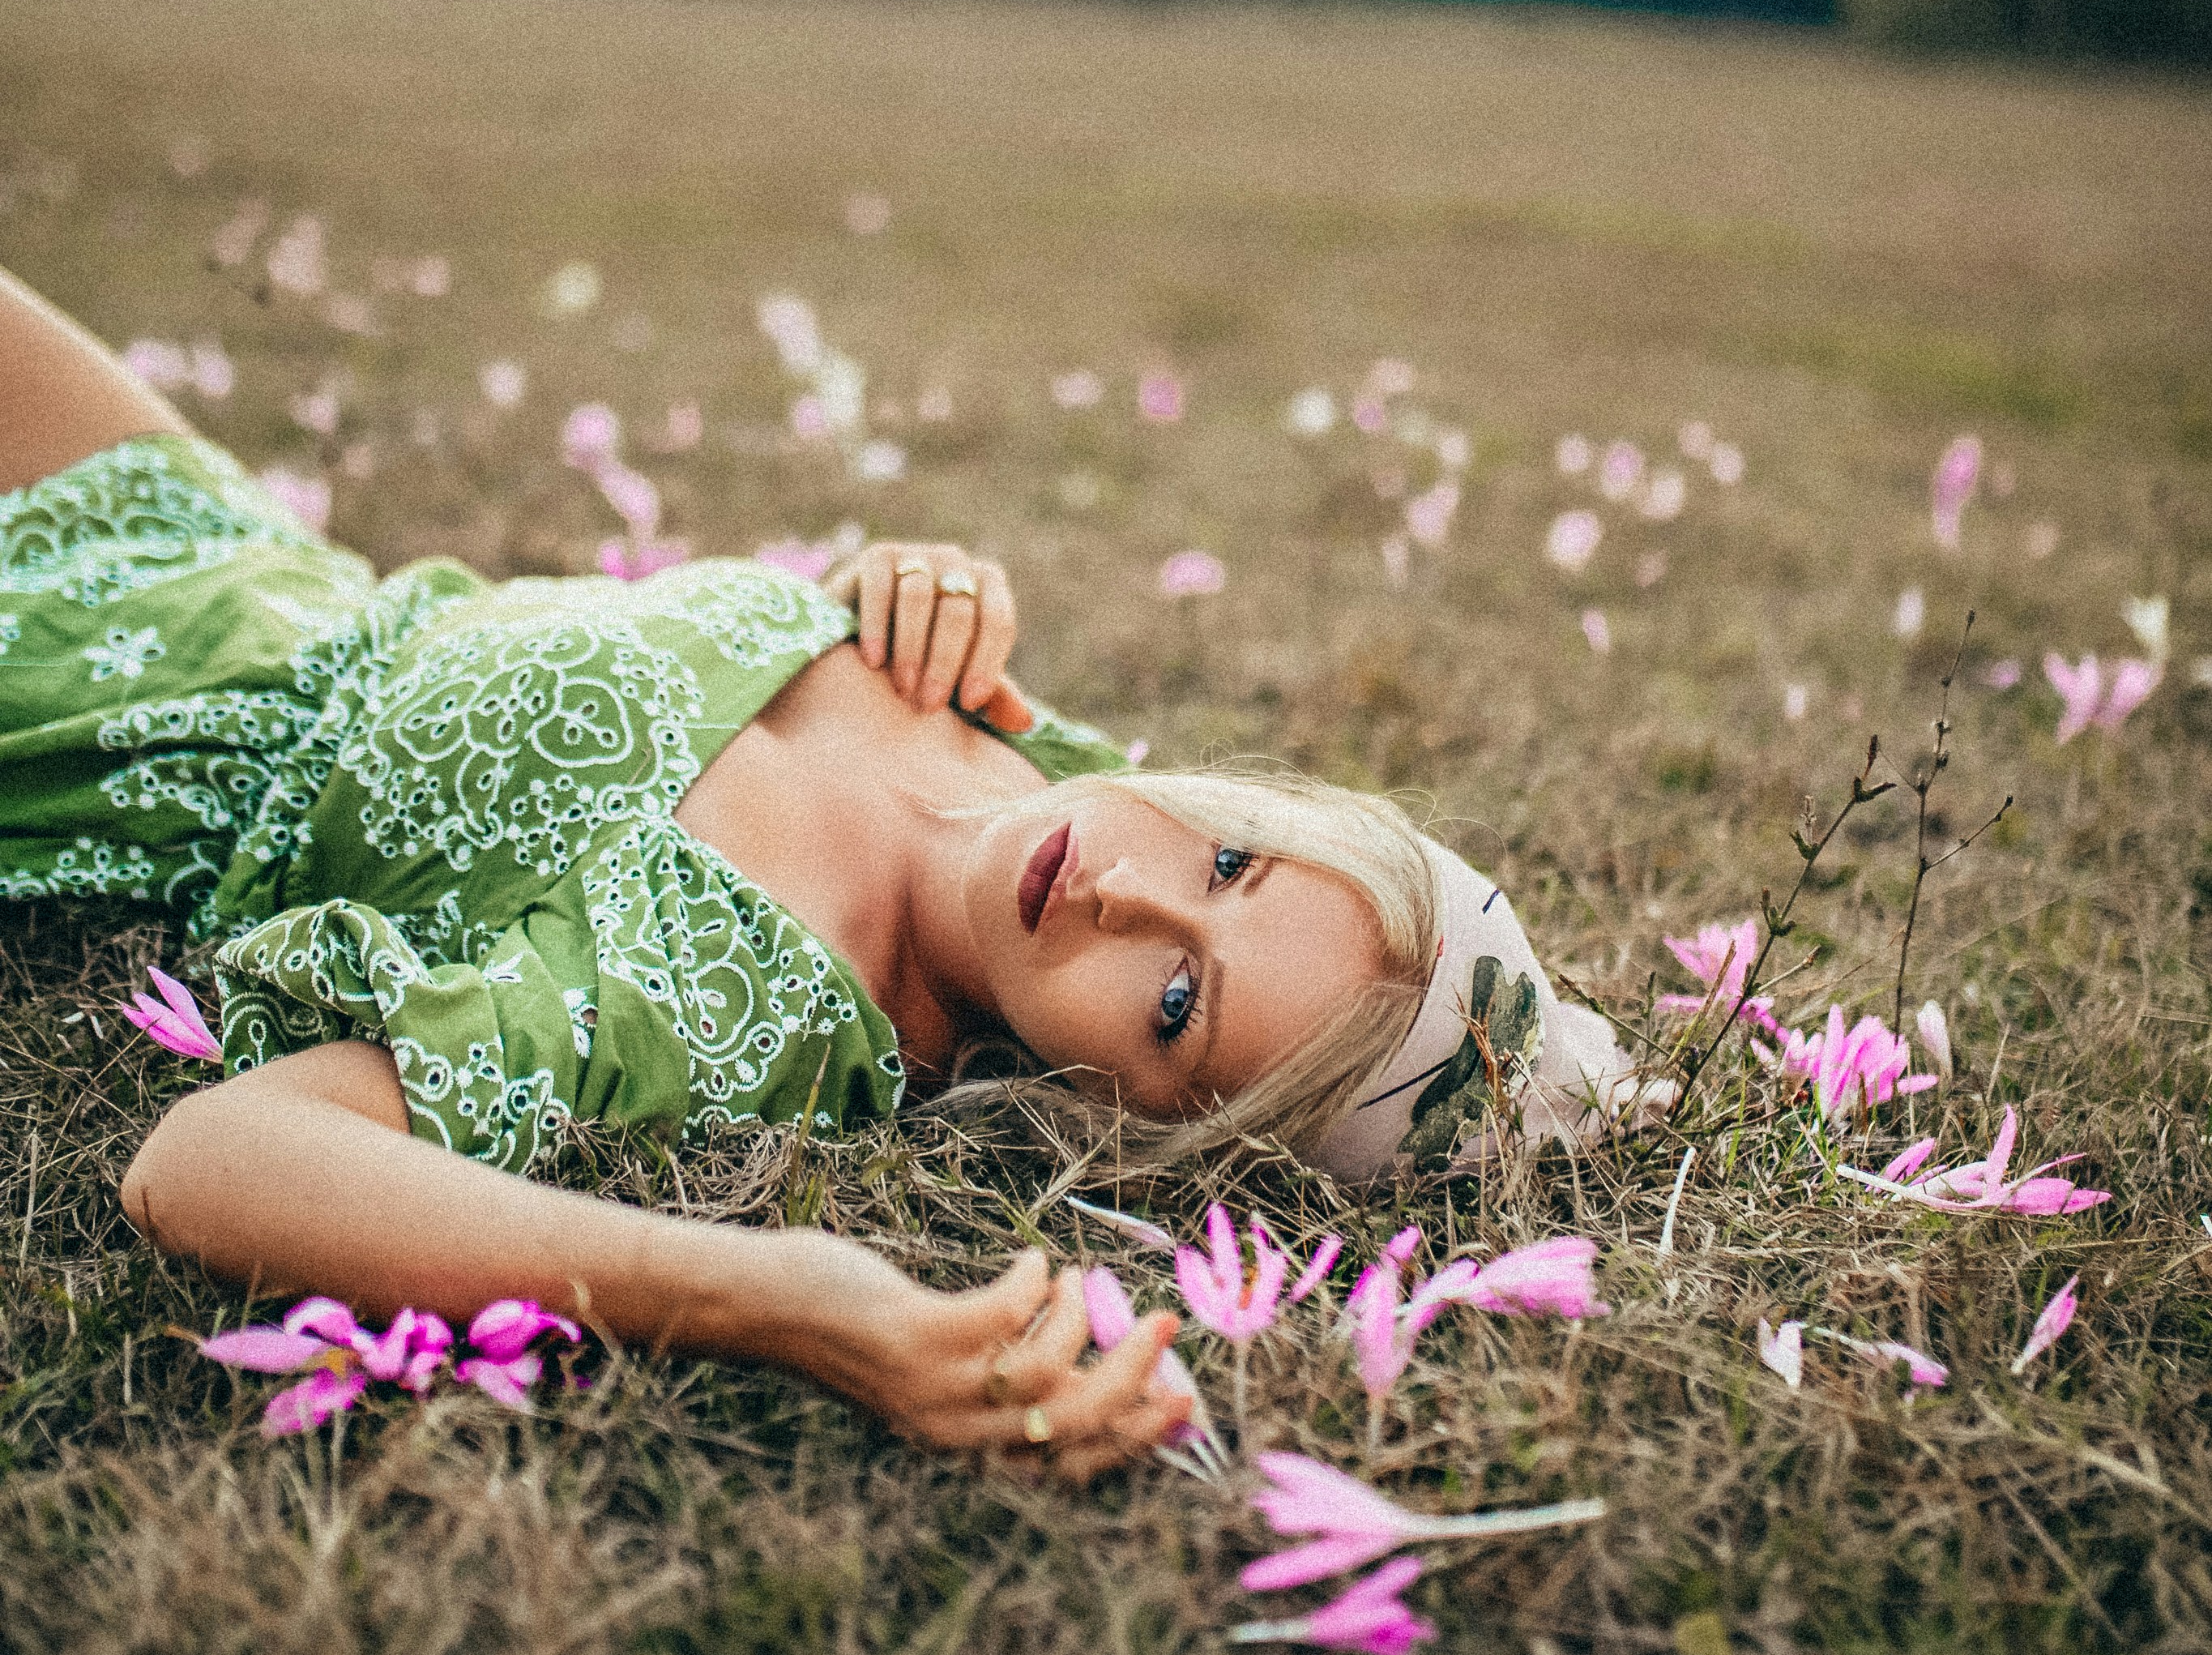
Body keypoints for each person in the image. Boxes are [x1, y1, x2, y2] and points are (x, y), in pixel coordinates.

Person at [0, 267, 1645, 1470]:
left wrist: (776, 1297)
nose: (1124, 894)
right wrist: (882, 587)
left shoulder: (746, 993)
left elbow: (206, 1162)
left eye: (1171, 1002)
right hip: (225, 550)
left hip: (96, 719)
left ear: (1121, 1123)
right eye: (1228, 860)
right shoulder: (1020, 737)